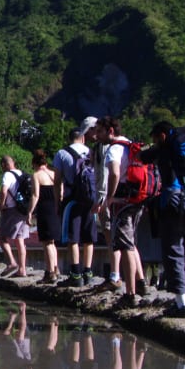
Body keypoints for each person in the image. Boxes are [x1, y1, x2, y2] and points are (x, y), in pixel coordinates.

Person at [139, 121, 185, 317]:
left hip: (174, 205)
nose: (154, 142)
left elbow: (143, 157)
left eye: (155, 138)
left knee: (173, 250)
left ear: (162, 135)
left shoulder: (166, 150)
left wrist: (144, 149)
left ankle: (180, 303)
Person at [96, 116, 147, 305]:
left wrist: (109, 197)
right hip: (138, 200)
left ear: (110, 131)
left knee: (125, 246)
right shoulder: (131, 145)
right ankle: (141, 282)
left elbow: (115, 173)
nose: (97, 136)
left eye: (100, 131)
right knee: (131, 242)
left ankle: (130, 294)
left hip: (123, 203)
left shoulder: (114, 150)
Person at [80, 116, 122, 292]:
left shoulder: (105, 147)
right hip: (104, 196)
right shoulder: (97, 148)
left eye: (94, 131)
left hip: (106, 197)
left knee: (112, 236)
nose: (92, 135)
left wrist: (102, 200)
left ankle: (115, 275)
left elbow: (106, 176)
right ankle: (120, 275)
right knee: (111, 236)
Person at [52, 128, 96, 287]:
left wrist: (58, 202)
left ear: (70, 139)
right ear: (83, 139)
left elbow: (57, 181)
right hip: (91, 200)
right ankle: (88, 272)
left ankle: (75, 275)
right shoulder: (92, 152)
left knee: (73, 238)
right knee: (89, 237)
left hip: (72, 200)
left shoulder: (62, 154)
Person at [27, 149, 61, 284]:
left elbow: (35, 196)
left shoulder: (36, 175)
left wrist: (29, 212)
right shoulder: (54, 174)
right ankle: (55, 269)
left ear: (35, 163)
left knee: (46, 242)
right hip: (56, 208)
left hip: (44, 209)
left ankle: (50, 272)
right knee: (52, 242)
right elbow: (61, 192)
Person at [0, 155, 29, 277]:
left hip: (11, 210)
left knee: (1, 238)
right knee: (20, 239)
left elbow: (4, 190)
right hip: (24, 210)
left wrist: (2, 204)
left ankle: (12, 262)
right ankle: (22, 270)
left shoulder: (7, 175)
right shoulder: (22, 174)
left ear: (4, 165)